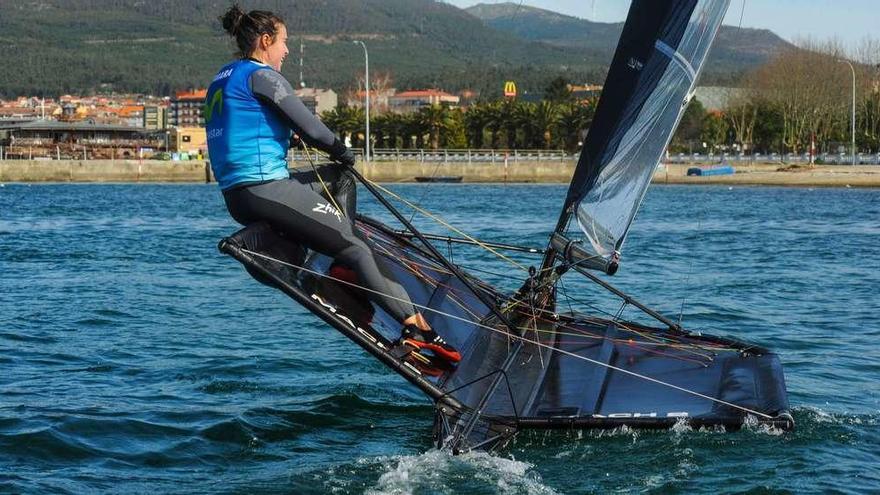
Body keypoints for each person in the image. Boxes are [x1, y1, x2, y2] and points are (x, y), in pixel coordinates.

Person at [206, 5, 460, 363]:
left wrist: (289, 141)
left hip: (239, 196)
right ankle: (418, 330)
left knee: (338, 181)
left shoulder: (223, 76)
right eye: (284, 42)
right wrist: (342, 149)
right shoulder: (263, 75)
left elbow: (246, 128)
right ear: (265, 41)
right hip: (265, 189)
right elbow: (311, 127)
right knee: (356, 246)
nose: (287, 51)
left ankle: (341, 259)